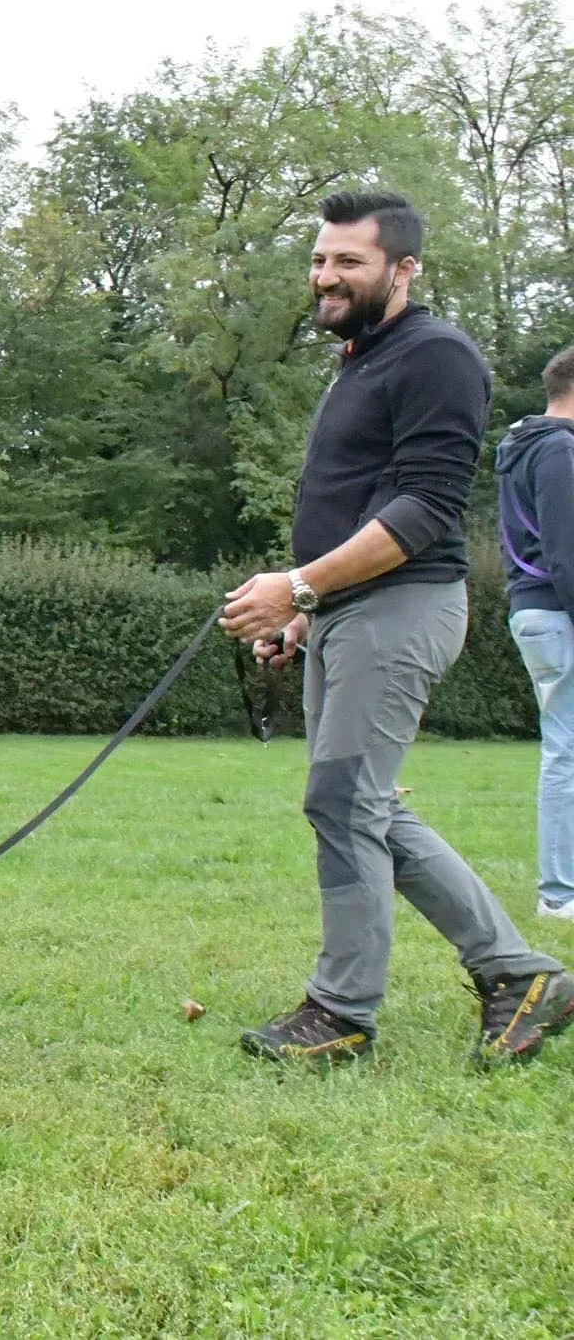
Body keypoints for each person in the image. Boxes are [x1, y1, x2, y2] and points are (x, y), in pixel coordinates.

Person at [221, 190, 573, 1066]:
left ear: (404, 268)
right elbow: (361, 502)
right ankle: (518, 972)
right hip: (347, 611)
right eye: (319, 259)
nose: (325, 276)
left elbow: (422, 509)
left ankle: (341, 1010)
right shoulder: (359, 363)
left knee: (345, 801)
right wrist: (307, 612)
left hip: (404, 603)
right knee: (358, 803)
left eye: (349, 261)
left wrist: (298, 585)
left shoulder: (438, 356)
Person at [497, 346, 574, 922]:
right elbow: (565, 550)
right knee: (566, 750)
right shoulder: (558, 451)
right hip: (555, 611)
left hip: (534, 610)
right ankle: (560, 895)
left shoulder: (521, 445)